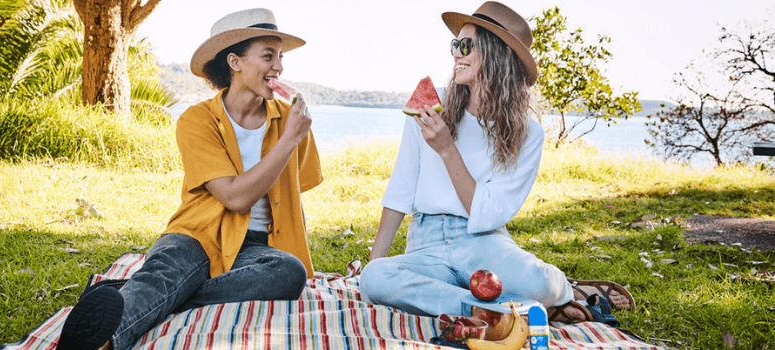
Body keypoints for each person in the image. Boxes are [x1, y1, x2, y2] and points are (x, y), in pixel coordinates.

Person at [55, 8, 322, 350]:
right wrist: (289, 140)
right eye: (268, 56)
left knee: (289, 273)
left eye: (281, 57)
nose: (279, 68)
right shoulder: (197, 120)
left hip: (257, 247)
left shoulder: (291, 120)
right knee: (168, 267)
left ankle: (136, 293)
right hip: (198, 232)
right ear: (235, 62)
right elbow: (234, 198)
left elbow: (295, 193)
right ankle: (99, 343)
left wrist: (292, 135)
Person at [358, 1, 635, 325]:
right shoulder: (433, 105)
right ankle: (504, 309)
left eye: (465, 45)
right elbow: (401, 189)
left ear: (497, 53)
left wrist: (448, 150)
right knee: (377, 278)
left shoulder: (528, 134)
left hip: (483, 244)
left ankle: (566, 290)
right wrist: (368, 272)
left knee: (541, 282)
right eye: (454, 44)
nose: (455, 54)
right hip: (426, 243)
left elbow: (487, 213)